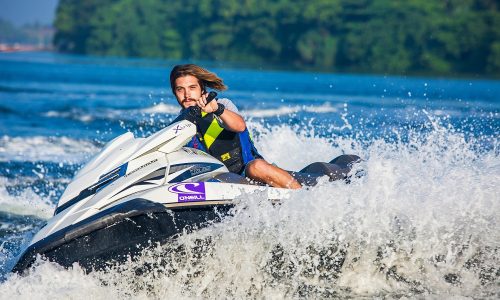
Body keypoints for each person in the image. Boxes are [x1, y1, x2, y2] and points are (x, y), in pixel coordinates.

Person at [169, 64, 301, 189]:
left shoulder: (222, 105)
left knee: (256, 167)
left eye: (192, 88)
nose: (187, 95)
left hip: (248, 172)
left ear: (202, 89)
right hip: (215, 181)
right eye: (180, 89)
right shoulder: (177, 126)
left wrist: (217, 109)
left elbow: (240, 126)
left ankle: (302, 198)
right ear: (175, 92)